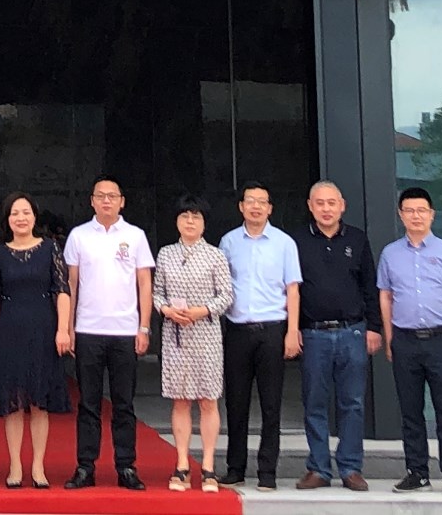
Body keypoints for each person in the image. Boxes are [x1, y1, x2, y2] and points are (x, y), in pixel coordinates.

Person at [377, 187, 442, 497]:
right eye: (409, 210)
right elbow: (385, 296)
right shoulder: (390, 254)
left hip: (441, 340)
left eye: (421, 210)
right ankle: (416, 472)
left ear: (432, 214)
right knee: (410, 411)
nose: (415, 216)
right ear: (400, 215)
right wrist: (390, 339)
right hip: (405, 341)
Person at [63, 174, 155, 491]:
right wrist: (69, 326)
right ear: (91, 201)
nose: (106, 201)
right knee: (88, 403)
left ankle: (126, 466)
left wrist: (144, 327)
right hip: (88, 329)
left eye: (112, 196)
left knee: (123, 404)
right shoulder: (79, 236)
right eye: (100, 195)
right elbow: (71, 284)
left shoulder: (135, 236)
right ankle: (85, 467)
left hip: (125, 331)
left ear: (122, 201)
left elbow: (145, 283)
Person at [293, 180, 382, 492]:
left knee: (353, 403)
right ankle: (318, 468)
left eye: (331, 203)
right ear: (310, 206)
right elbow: (291, 288)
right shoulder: (297, 241)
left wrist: (374, 327)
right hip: (314, 333)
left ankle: (350, 468)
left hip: (352, 332)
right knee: (314, 402)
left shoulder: (357, 239)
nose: (326, 209)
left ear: (342, 205)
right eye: (320, 203)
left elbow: (370, 286)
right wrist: (293, 328)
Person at [218, 181, 302, 491]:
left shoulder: (284, 243)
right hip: (237, 330)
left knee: (271, 404)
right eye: (250, 201)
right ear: (241, 206)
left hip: (272, 329)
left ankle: (268, 472)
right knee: (236, 402)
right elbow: (220, 285)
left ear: (270, 208)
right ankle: (235, 468)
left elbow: (293, 290)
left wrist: (292, 331)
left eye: (261, 202)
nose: (255, 206)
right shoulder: (228, 242)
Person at [0, 192, 71, 490]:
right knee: (14, 400)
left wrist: (63, 329)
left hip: (44, 327)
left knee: (38, 400)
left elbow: (62, 290)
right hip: (10, 329)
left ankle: (38, 466)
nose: (20, 218)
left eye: (26, 213)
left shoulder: (50, 248)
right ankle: (15, 466)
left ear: (35, 217)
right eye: (15, 213)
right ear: (7, 220)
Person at [153, 194, 235, 493]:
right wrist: (166, 309)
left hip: (206, 334)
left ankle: (209, 466)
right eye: (185, 216)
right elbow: (157, 292)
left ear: (204, 223)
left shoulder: (215, 255)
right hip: (175, 335)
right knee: (181, 400)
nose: (190, 221)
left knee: (208, 400)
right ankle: (182, 465)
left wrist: (203, 310)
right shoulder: (165, 254)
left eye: (196, 217)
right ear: (177, 221)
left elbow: (226, 296)